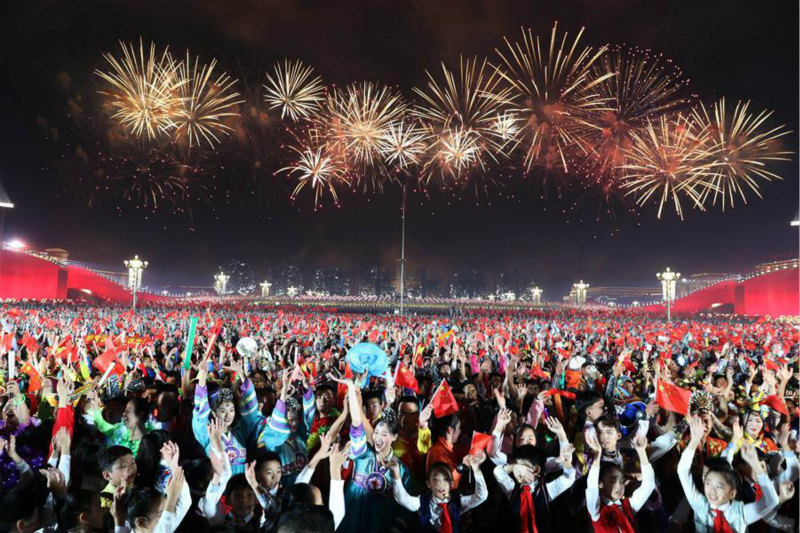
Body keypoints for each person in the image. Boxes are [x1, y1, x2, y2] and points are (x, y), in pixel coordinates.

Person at [677, 415, 780, 533]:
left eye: (719, 486)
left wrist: (756, 465)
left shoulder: (741, 512)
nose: (712, 491)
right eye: (708, 483)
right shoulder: (700, 504)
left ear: (732, 493)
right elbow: (683, 471)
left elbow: (772, 501)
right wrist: (694, 441)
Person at [390, 455, 488, 533]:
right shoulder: (423, 502)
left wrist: (476, 470)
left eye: (446, 479)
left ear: (452, 484)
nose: (441, 484)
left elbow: (481, 496)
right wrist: (396, 473)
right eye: (436, 480)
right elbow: (402, 498)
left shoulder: (458, 501)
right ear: (429, 484)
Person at [493, 444, 576, 533]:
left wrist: (567, 463)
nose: (518, 472)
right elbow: (498, 472)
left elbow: (568, 478)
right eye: (517, 468)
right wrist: (512, 467)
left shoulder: (547, 490)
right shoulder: (512, 488)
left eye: (523, 467)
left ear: (536, 470)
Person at [585, 431, 656, 533]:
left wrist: (641, 452)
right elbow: (592, 489)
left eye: (622, 481)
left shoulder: (629, 505)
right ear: (601, 484)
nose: (619, 486)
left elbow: (649, 485)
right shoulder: (596, 511)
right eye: (613, 481)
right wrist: (597, 455)